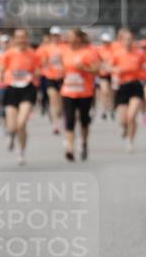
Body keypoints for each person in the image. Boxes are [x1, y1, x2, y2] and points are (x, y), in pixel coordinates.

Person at [0, 27, 39, 165]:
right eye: (18, 37)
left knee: (21, 123)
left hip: (27, 89)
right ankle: (12, 136)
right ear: (14, 39)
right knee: (12, 127)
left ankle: (21, 152)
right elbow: (0, 70)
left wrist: (34, 76)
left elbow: (37, 72)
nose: (21, 40)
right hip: (11, 89)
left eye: (23, 37)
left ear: (27, 38)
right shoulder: (8, 54)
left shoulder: (33, 54)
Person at [59, 28, 100, 161]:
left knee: (84, 120)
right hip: (68, 91)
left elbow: (96, 70)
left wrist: (84, 68)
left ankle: (83, 143)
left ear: (78, 38)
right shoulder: (64, 52)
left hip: (84, 92)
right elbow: (62, 68)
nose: (67, 38)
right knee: (69, 119)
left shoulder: (89, 52)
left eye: (70, 36)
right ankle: (70, 148)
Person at [110, 30, 146, 152]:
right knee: (123, 119)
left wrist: (145, 69)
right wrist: (117, 69)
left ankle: (130, 142)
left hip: (135, 86)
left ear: (133, 41)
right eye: (125, 39)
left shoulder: (139, 54)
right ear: (121, 41)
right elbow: (108, 67)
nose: (128, 42)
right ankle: (125, 128)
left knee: (131, 117)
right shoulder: (117, 54)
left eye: (130, 39)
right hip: (122, 86)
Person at [36, 26, 66, 134]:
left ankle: (62, 117)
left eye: (57, 35)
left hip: (63, 77)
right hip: (50, 77)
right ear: (50, 36)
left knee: (61, 101)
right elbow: (40, 62)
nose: (55, 37)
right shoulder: (46, 48)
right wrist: (44, 64)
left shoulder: (65, 47)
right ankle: (55, 124)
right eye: (53, 35)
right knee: (53, 99)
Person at [97, 32, 115, 120]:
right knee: (105, 92)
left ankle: (111, 110)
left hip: (112, 74)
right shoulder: (99, 49)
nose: (106, 43)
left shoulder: (113, 49)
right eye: (104, 41)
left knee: (111, 93)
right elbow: (96, 60)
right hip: (103, 74)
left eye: (107, 41)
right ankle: (104, 110)